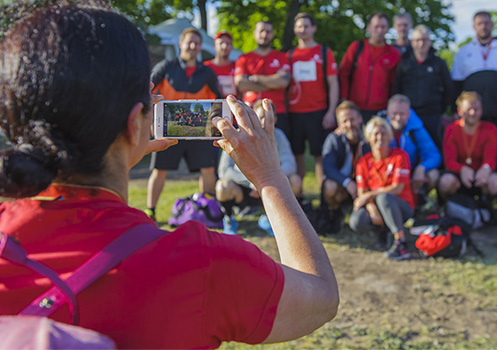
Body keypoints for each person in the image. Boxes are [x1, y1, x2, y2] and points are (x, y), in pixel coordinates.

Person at [0, 2, 338, 348]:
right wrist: (269, 178)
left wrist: (124, 145)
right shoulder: (200, 263)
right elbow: (320, 296)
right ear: (136, 121)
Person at [147, 27, 223, 221]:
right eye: (189, 42)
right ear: (180, 44)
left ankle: (210, 209)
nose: (193, 46)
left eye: (197, 43)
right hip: (168, 129)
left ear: (200, 47)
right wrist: (149, 117)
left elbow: (219, 100)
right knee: (159, 171)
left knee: (207, 170)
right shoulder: (166, 67)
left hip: (198, 129)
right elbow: (147, 92)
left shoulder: (207, 72)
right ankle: (151, 211)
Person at [451, 11, 497, 174]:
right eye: (480, 23)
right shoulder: (464, 51)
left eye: (486, 23)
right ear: (474, 26)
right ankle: (474, 187)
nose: (483, 26)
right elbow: (456, 85)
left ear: (492, 25)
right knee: (475, 148)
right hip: (474, 114)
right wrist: (455, 110)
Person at [217, 102, 302, 235]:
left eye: (269, 117)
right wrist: (252, 181)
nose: (264, 121)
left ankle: (272, 219)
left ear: (275, 118)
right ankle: (229, 219)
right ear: (252, 117)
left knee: (295, 181)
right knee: (222, 186)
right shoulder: (237, 135)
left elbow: (290, 164)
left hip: (271, 187)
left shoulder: (279, 136)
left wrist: (267, 180)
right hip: (245, 188)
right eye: (260, 117)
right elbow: (224, 170)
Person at [349, 117, 414, 260]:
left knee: (384, 197)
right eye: (375, 134)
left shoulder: (400, 156)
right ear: (369, 138)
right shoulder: (363, 162)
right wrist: (372, 208)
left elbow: (397, 188)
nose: (380, 137)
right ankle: (383, 231)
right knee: (356, 220)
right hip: (378, 206)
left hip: (401, 206)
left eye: (384, 134)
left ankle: (401, 243)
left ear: (389, 136)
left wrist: (371, 195)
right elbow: (362, 193)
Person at [288, 12, 339, 186]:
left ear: (314, 28)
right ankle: (299, 197)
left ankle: (323, 194)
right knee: (297, 154)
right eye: (299, 26)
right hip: (295, 113)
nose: (303, 30)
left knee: (320, 155)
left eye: (306, 26)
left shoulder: (324, 52)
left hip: (319, 111)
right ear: (295, 29)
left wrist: (332, 111)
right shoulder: (289, 56)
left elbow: (333, 83)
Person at [392, 25, 454, 149]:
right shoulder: (404, 64)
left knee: (434, 147)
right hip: (410, 114)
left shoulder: (439, 63)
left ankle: (436, 169)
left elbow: (449, 89)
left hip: (433, 114)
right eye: (417, 40)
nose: (421, 43)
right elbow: (397, 89)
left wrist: (445, 109)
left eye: (425, 40)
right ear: (412, 42)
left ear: (430, 41)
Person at [438, 92, 497, 201]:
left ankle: (487, 208)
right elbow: (449, 162)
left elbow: (490, 159)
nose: (472, 113)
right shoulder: (452, 129)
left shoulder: (490, 129)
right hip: (459, 175)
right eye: (468, 109)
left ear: (481, 110)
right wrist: (462, 169)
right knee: (446, 181)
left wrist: (485, 168)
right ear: (460, 111)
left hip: (481, 175)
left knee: (495, 182)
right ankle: (449, 207)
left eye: (476, 109)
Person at [320, 101, 371, 234]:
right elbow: (328, 168)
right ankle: (336, 213)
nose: (349, 125)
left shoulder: (369, 137)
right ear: (339, 124)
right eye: (345, 121)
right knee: (329, 186)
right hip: (344, 185)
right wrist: (347, 182)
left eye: (352, 119)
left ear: (360, 118)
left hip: (365, 185)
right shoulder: (333, 139)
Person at [339, 12, 401, 121]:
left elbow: (395, 84)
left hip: (380, 110)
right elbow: (344, 74)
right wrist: (344, 99)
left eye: (383, 27)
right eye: (376, 26)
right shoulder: (357, 47)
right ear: (369, 28)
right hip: (354, 108)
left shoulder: (394, 53)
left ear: (388, 29)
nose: (380, 30)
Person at [235, 20, 291, 136]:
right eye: (261, 31)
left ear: (272, 34)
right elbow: (241, 85)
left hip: (277, 112)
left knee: (278, 150)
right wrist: (272, 82)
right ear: (254, 33)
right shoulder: (244, 58)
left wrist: (255, 78)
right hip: (250, 111)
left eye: (268, 32)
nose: (264, 35)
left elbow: (283, 82)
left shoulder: (281, 57)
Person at [386, 95, 441, 199]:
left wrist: (422, 167)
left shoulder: (416, 129)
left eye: (402, 114)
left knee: (433, 174)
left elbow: (434, 155)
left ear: (409, 114)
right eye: (394, 113)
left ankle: (422, 200)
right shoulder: (381, 130)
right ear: (388, 113)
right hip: (388, 174)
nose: (398, 118)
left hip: (411, 174)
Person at [204, 30, 238, 97]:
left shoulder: (237, 66)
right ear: (214, 46)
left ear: (231, 47)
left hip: (233, 105)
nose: (224, 46)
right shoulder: (206, 67)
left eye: (228, 43)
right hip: (212, 106)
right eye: (221, 43)